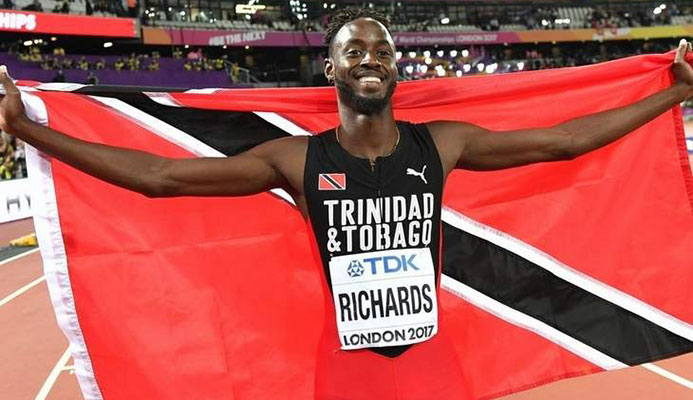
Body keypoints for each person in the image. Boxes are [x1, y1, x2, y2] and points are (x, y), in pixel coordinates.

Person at [0, 7, 691, 399]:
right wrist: (30, 128)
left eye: (381, 51)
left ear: (395, 67)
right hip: (344, 368)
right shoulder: (296, 160)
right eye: (353, 50)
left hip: (431, 363)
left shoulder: (441, 144)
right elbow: (160, 176)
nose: (369, 58)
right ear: (331, 69)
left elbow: (565, 141)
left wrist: (675, 92)